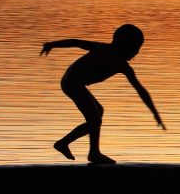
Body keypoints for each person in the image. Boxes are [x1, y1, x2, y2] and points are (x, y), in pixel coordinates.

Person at [40, 24, 165, 164]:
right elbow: (76, 42)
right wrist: (52, 44)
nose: (136, 52)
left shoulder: (123, 66)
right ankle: (77, 148)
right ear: (124, 45)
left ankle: (87, 150)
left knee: (98, 112)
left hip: (75, 82)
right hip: (72, 82)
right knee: (95, 120)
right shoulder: (103, 49)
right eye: (135, 47)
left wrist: (154, 112)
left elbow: (140, 90)